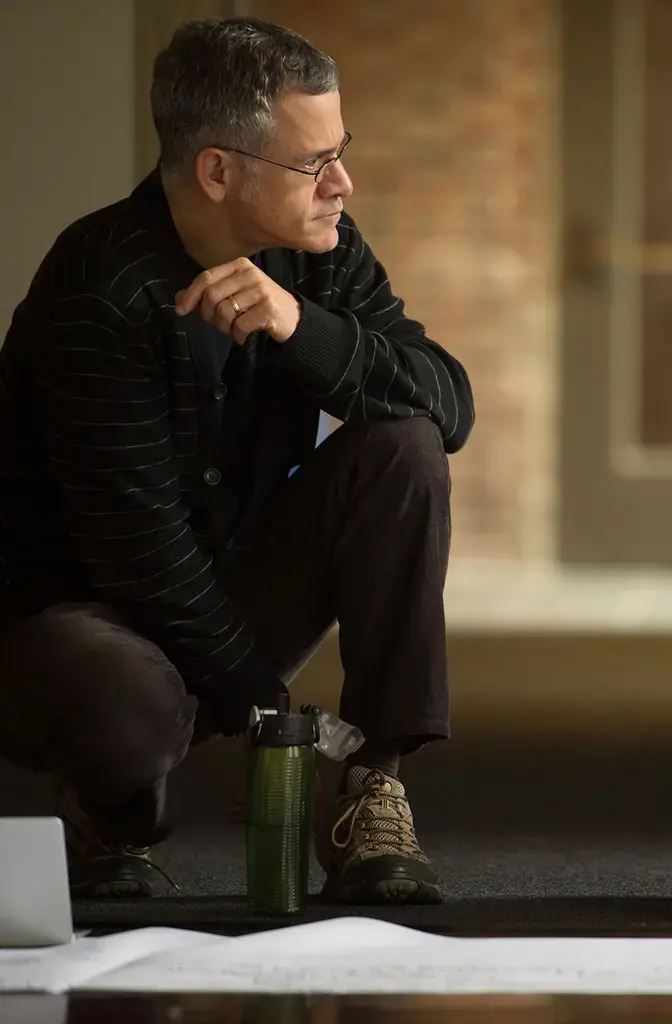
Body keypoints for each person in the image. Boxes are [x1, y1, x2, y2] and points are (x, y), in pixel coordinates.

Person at [0, 17, 474, 905]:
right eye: (314, 162)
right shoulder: (97, 294)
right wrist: (284, 722)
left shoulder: (317, 247)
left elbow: (449, 403)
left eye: (343, 151)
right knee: (129, 704)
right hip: (80, 620)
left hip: (223, 579)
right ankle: (110, 802)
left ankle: (374, 787)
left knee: (402, 445)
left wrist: (306, 331)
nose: (343, 182)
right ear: (219, 171)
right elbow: (140, 560)